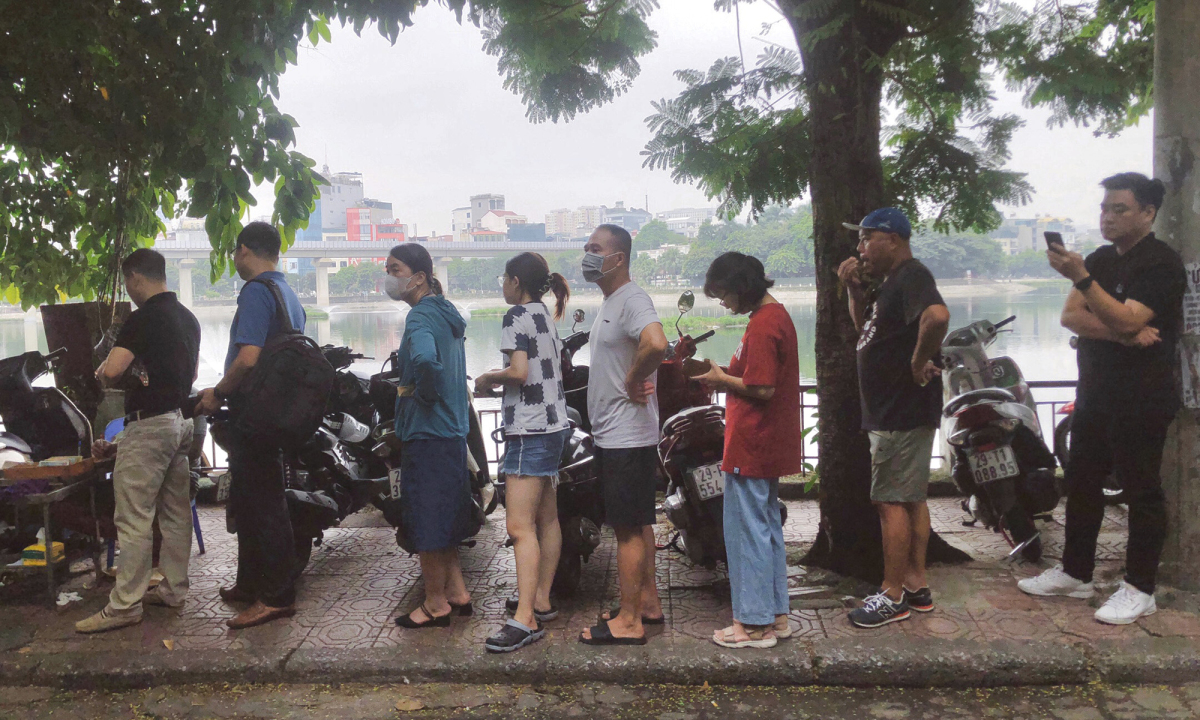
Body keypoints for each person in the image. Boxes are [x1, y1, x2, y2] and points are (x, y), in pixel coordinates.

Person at [1018, 173, 1186, 625]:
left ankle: (1140, 587)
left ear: (1148, 213)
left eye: (1120, 209)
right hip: (1094, 392)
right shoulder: (1097, 259)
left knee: (1142, 491)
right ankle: (1076, 574)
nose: (1107, 217)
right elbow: (1072, 316)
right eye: (1104, 209)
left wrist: (1088, 284)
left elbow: (1130, 317)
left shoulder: (1161, 264)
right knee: (1081, 482)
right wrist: (1124, 336)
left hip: (1144, 397)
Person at [76, 249, 200, 633]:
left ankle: (125, 604)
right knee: (175, 513)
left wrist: (102, 370)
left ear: (134, 278)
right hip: (181, 422)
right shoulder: (188, 318)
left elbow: (111, 371)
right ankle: (174, 590)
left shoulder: (142, 318)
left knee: (133, 519)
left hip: (150, 425)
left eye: (128, 283)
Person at [837, 207, 950, 629]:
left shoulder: (912, 275)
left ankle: (892, 593)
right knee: (910, 497)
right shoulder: (890, 285)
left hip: (899, 411)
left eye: (867, 238)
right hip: (896, 410)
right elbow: (867, 331)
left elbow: (937, 317)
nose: (860, 247)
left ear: (894, 239)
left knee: (890, 502)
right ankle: (916, 584)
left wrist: (919, 361)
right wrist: (853, 291)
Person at [194, 222, 307, 629]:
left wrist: (217, 394)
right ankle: (249, 584)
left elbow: (248, 358)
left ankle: (277, 597)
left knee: (265, 505)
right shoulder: (288, 294)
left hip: (256, 415)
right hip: (276, 412)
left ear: (244, 251)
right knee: (247, 498)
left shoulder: (258, 293)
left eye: (235, 253)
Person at [690, 252, 803, 649]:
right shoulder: (773, 318)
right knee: (766, 528)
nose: (722, 302)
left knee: (746, 532)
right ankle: (775, 615)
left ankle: (753, 626)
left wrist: (722, 379)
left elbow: (763, 389)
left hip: (753, 442)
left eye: (722, 294)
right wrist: (722, 375)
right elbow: (757, 378)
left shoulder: (763, 325)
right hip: (764, 442)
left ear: (740, 287)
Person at [475, 253, 572, 653]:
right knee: (546, 517)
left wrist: (486, 378)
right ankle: (541, 599)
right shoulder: (544, 315)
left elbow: (518, 372)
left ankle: (525, 620)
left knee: (518, 527)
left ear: (515, 281)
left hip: (528, 430)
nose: (503, 285)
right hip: (554, 425)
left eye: (504, 278)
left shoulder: (515, 316)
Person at [578, 224, 669, 647]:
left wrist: (635, 379)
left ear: (619, 258)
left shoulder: (633, 299)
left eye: (595, 249)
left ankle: (629, 621)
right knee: (639, 523)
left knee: (627, 530)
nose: (587, 255)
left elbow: (657, 343)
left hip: (627, 436)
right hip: (619, 435)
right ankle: (646, 604)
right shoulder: (612, 301)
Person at [385, 243, 475, 629]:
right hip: (453, 430)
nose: (389, 277)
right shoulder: (446, 312)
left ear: (419, 277)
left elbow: (423, 361)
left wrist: (422, 394)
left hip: (427, 431)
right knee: (447, 516)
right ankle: (457, 592)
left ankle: (435, 602)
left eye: (395, 269)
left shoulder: (420, 317)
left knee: (426, 518)